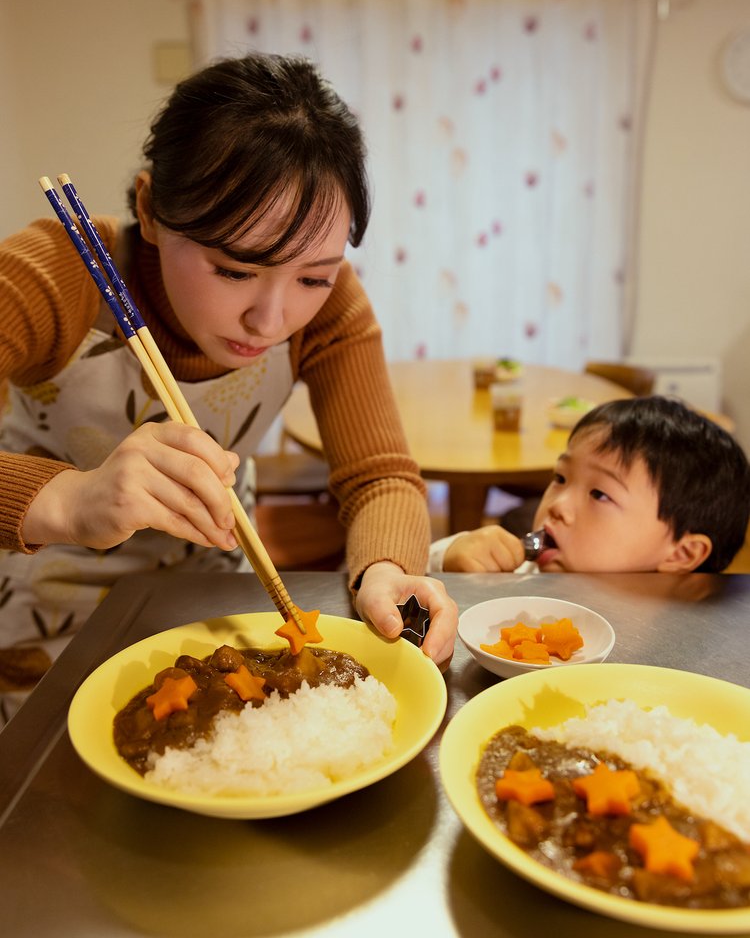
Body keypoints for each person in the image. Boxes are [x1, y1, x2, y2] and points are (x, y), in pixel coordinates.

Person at [0, 51, 457, 724]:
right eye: (235, 269)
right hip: (43, 624)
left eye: (312, 276)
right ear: (152, 209)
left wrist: (384, 569)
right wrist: (70, 499)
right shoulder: (64, 272)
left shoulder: (332, 308)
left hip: (216, 608)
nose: (269, 320)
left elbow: (380, 476)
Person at [431, 395, 750, 575]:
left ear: (682, 553)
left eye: (599, 494)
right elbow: (416, 574)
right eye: (560, 478)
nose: (557, 506)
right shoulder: (523, 575)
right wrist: (450, 557)